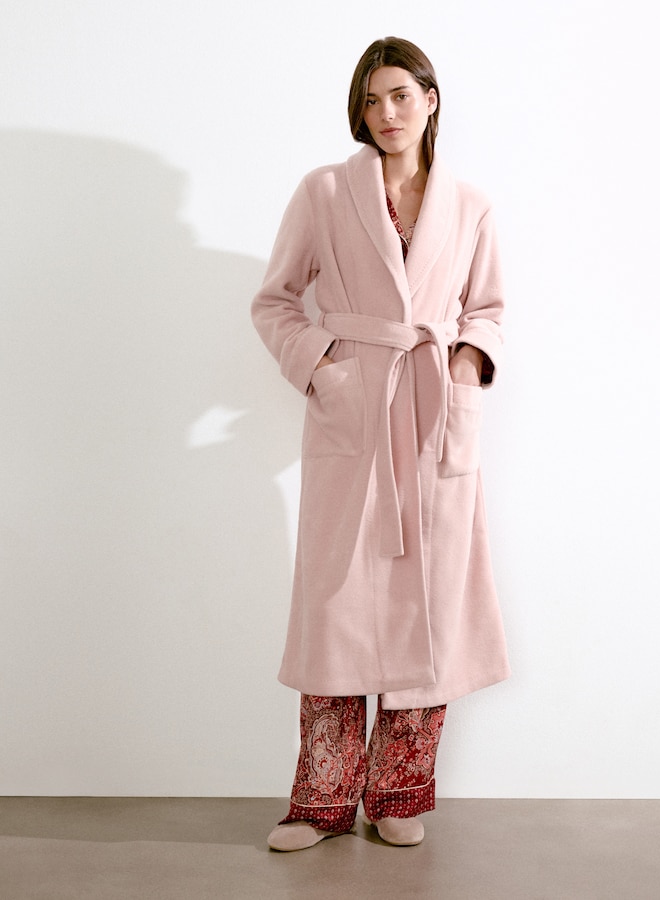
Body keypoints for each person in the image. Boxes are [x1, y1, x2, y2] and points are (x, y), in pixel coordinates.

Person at [251, 36, 510, 852]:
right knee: (336, 605)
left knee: (429, 605)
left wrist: (464, 367)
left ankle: (396, 795)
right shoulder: (325, 190)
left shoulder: (469, 204)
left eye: (399, 95)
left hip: (432, 417)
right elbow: (275, 300)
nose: (385, 113)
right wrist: (326, 369)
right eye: (370, 100)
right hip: (355, 413)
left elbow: (488, 308)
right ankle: (320, 803)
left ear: (430, 99)